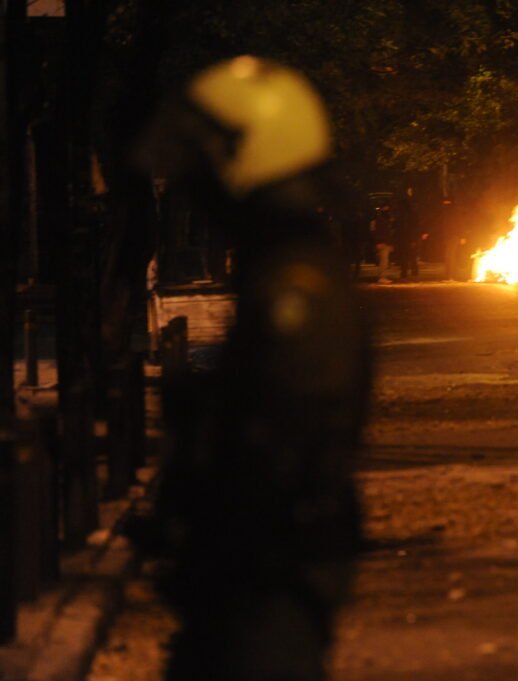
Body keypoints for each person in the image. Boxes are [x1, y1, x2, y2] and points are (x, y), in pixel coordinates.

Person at [136, 56, 368, 681]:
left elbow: (279, 448)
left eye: (206, 167)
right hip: (249, 574)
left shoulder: (298, 289)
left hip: (270, 575)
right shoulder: (279, 270)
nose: (197, 187)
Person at [369, 203, 395, 283]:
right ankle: (382, 277)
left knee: (384, 260)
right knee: (383, 260)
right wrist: (378, 242)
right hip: (383, 242)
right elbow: (378, 232)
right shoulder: (381, 220)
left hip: (385, 242)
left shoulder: (383, 219)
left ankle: (382, 276)